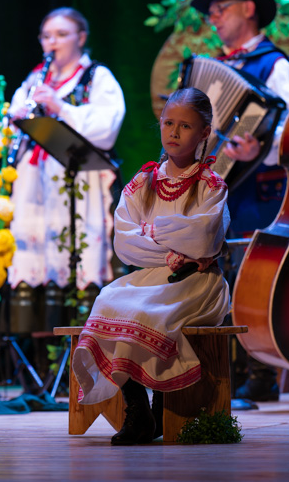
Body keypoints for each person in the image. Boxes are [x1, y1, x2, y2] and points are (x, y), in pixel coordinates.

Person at [71, 87, 229, 445]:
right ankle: (137, 408)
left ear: (204, 132)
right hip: (152, 276)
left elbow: (204, 237)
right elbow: (126, 243)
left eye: (185, 126)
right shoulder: (144, 184)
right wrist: (174, 246)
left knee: (144, 310)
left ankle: (161, 406)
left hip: (199, 282)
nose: (173, 133)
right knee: (108, 299)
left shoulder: (210, 185)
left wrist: (154, 233)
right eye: (168, 123)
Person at [189, 0, 289, 401]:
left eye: (221, 9)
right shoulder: (215, 66)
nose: (213, 18)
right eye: (211, 12)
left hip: (260, 191)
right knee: (217, 277)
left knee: (250, 278)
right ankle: (222, 375)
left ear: (249, 8)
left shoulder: (275, 65)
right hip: (222, 191)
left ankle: (260, 377)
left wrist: (260, 148)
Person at [0, 8, 125, 326]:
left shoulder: (96, 77)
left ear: (81, 38)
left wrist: (60, 107)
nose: (53, 42)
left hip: (83, 185)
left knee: (81, 253)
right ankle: (36, 355)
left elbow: (108, 127)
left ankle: (83, 342)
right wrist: (16, 119)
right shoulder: (34, 80)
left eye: (62, 35)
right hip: (34, 186)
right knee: (34, 257)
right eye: (47, 36)